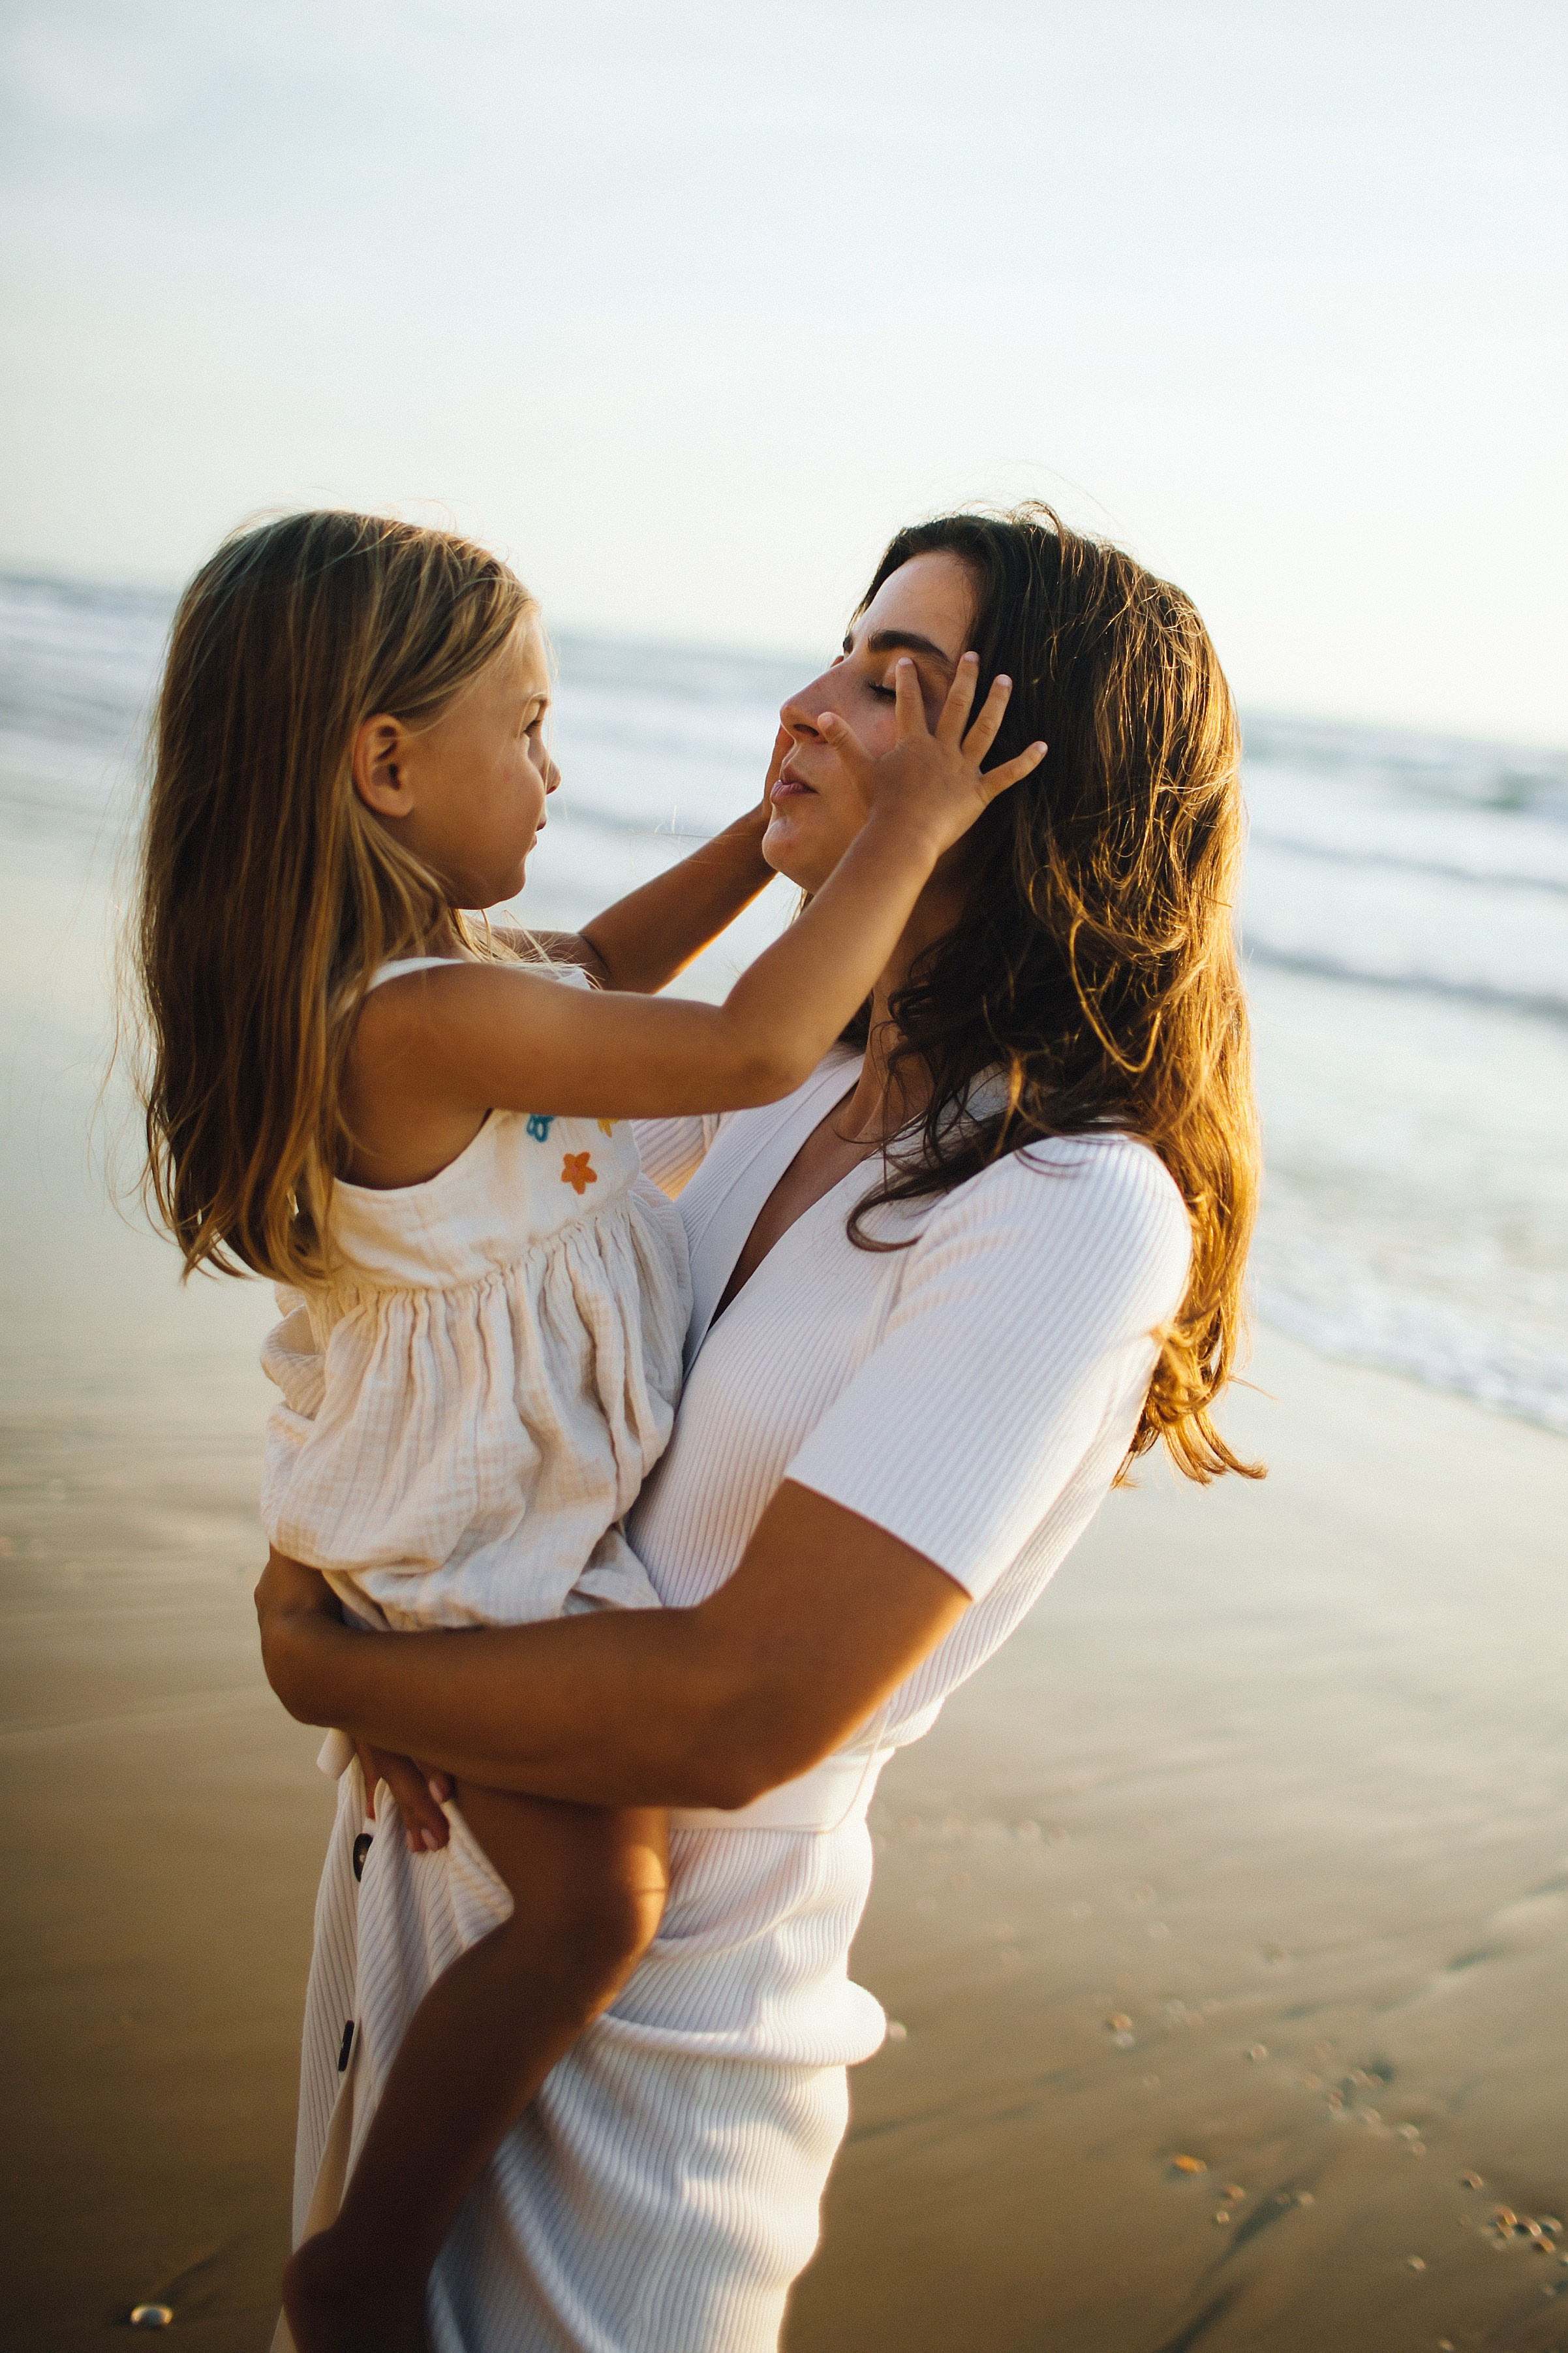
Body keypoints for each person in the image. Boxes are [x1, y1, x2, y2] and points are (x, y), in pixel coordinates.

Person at [256, 504, 1262, 2353]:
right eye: (833, 653)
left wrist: (330, 1670)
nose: (803, 707)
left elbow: (739, 1709)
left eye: (892, 684)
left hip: (647, 2074)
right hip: (408, 1941)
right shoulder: (751, 1077)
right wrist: (318, 1555)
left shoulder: (1063, 1208)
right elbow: (434, 1320)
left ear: (1015, 780)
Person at [129, 509, 1043, 2353]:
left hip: (452, 1515)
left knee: (576, 1890)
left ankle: (367, 2238)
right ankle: (370, 2256)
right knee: (596, 1905)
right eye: (526, 729)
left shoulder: (438, 981)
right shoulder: (426, 1020)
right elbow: (749, 1049)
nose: (557, 770)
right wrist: (900, 828)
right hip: (478, 1552)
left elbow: (620, 958)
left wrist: (779, 836)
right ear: (385, 764)